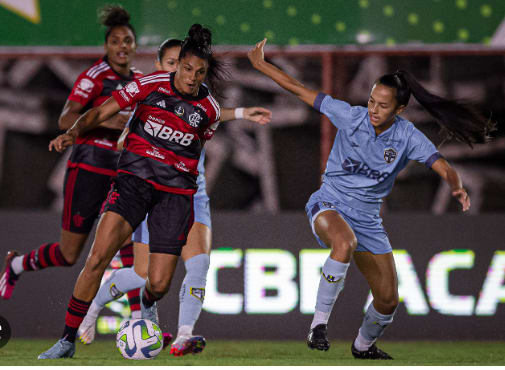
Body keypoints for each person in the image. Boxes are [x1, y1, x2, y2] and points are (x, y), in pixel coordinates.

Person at [248, 39, 493, 360]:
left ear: (400, 110)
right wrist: (261, 65)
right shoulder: (349, 116)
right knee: (343, 243)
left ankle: (363, 346)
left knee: (388, 299)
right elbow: (298, 88)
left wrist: (456, 186)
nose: (373, 110)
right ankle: (318, 325)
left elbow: (441, 164)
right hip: (329, 204)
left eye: (383, 105)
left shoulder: (407, 136)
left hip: (367, 220)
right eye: (371, 101)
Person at [76, 38, 272, 357]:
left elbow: (210, 116)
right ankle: (95, 307)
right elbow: (125, 129)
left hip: (191, 196)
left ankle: (184, 335)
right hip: (150, 194)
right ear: (162, 68)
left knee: (199, 264)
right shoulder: (148, 100)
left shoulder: (201, 103)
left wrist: (242, 113)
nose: (185, 75)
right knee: (144, 276)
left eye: (190, 68)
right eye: (173, 65)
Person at [0, 5, 142, 315]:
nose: (122, 47)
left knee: (127, 244)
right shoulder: (93, 77)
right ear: (106, 46)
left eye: (127, 41)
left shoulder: (140, 82)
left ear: (135, 46)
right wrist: (106, 120)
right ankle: (18, 263)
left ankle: (139, 320)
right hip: (88, 168)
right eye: (116, 41)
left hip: (121, 174)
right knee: (68, 254)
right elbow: (66, 119)